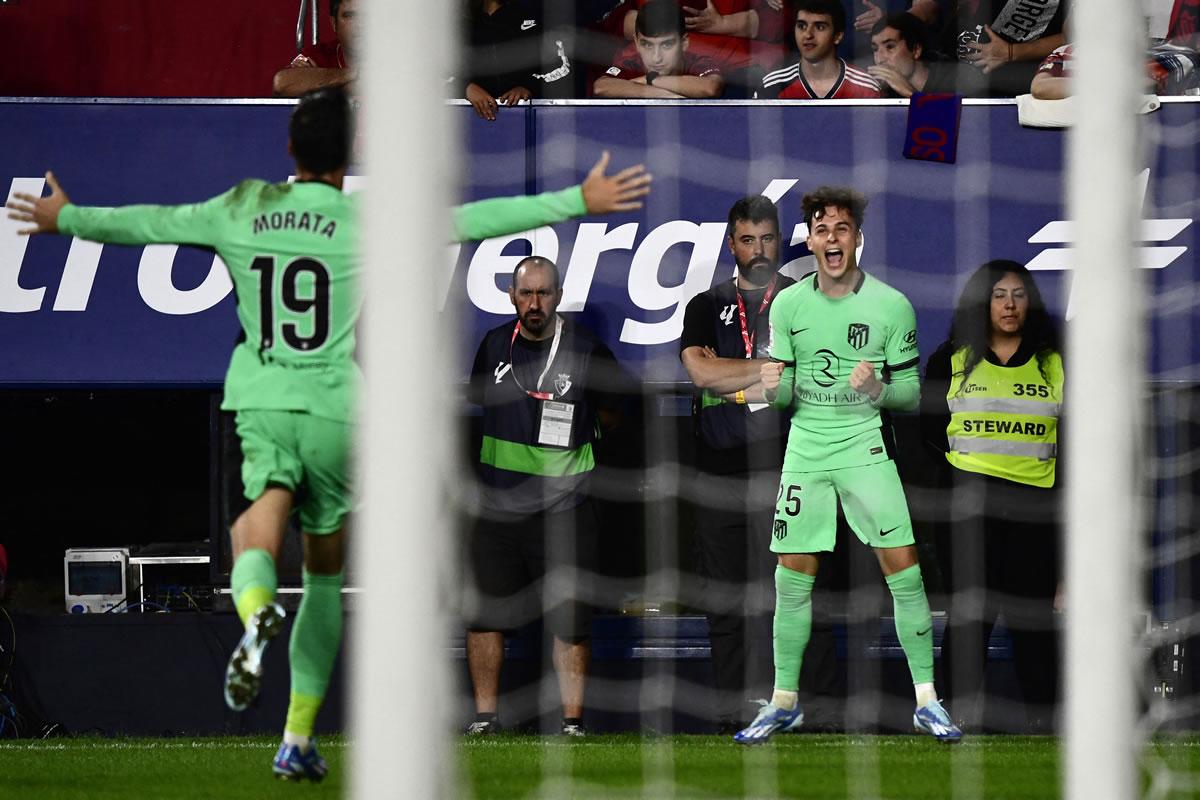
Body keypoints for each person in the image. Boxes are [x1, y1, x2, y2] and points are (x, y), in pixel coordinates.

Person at [6, 87, 650, 778]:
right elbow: (469, 219)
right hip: (339, 410)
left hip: (263, 402)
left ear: (290, 149)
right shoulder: (362, 218)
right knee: (321, 574)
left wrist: (65, 216)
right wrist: (576, 201)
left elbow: (148, 224)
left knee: (256, 538)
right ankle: (297, 736)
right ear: (349, 159)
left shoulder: (242, 206)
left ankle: (255, 617)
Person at [735, 185, 961, 744]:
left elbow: (912, 394)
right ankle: (784, 701)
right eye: (821, 229)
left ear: (857, 238)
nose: (831, 239)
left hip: (864, 446)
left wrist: (880, 389)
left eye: (841, 229)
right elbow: (784, 394)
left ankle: (927, 702)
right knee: (791, 578)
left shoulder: (891, 305)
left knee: (903, 569)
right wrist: (773, 384)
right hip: (806, 449)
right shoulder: (787, 304)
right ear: (809, 240)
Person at [464, 256, 632, 737]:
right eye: (526, 294)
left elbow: (616, 414)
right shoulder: (494, 344)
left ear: (557, 296)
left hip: (567, 510)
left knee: (571, 622)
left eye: (543, 293)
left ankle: (572, 723)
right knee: (483, 618)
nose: (534, 303)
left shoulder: (587, 349)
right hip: (497, 513)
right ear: (512, 297)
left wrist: (583, 428)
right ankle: (484, 718)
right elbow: (480, 404)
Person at [921, 260, 1062, 732]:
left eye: (1018, 295)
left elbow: (1078, 443)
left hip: (1035, 511)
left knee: (1034, 623)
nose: (1008, 304)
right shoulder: (952, 358)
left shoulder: (1057, 361)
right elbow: (928, 433)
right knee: (967, 619)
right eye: (999, 295)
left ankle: (1045, 722)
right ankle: (955, 719)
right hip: (968, 510)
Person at [678, 196, 796, 733]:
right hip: (718, 469)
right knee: (724, 599)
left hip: (788, 467)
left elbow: (811, 373)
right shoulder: (706, 304)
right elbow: (701, 374)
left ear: (780, 240)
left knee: (789, 596)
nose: (758, 249)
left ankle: (799, 709)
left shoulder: (802, 299)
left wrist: (736, 376)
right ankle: (731, 711)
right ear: (732, 244)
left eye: (767, 238)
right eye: (747, 239)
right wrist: (765, 371)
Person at [907, 0, 1069, 97]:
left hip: (1029, 93)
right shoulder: (948, 33)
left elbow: (1075, 37)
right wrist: (900, 24)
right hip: (971, 97)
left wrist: (1012, 52)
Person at [457, 0, 574, 122]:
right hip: (470, 121)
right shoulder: (459, 24)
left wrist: (528, 87)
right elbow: (439, 73)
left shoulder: (541, 14)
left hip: (534, 119)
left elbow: (566, 68)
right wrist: (466, 87)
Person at [593, 0, 726, 97]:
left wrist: (649, 80)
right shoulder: (632, 62)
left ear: (684, 42)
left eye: (667, 45)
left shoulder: (697, 61)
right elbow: (601, 86)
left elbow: (711, 87)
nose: (656, 57)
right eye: (647, 45)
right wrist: (663, 94)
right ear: (637, 42)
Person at [758, 0, 881, 99]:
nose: (808, 34)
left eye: (819, 27)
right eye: (801, 26)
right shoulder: (772, 86)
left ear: (838, 36)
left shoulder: (866, 88)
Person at [869, 12, 978, 97]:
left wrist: (911, 95)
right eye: (875, 49)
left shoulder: (960, 79)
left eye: (890, 47)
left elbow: (951, 123)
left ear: (916, 50)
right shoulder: (884, 92)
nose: (879, 59)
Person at [273, 0, 358, 98]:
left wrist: (323, 82)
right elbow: (282, 84)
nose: (360, 25)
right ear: (334, 23)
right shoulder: (320, 55)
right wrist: (355, 74)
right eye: (349, 16)